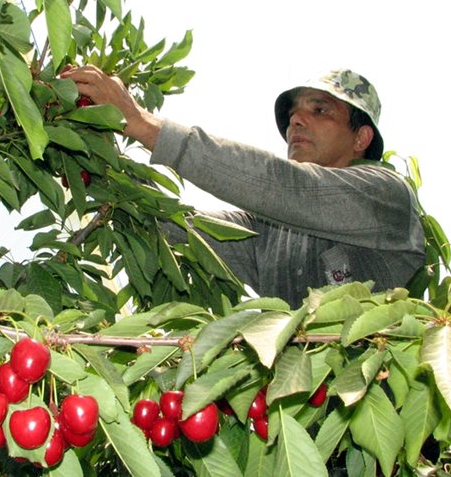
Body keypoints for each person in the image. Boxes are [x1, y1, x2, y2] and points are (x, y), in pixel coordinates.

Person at [61, 66, 427, 307]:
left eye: (319, 111)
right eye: (293, 115)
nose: (295, 121)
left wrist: (142, 123)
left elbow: (286, 187)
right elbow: (178, 229)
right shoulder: (267, 231)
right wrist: (97, 155)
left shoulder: (387, 196)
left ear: (361, 137)